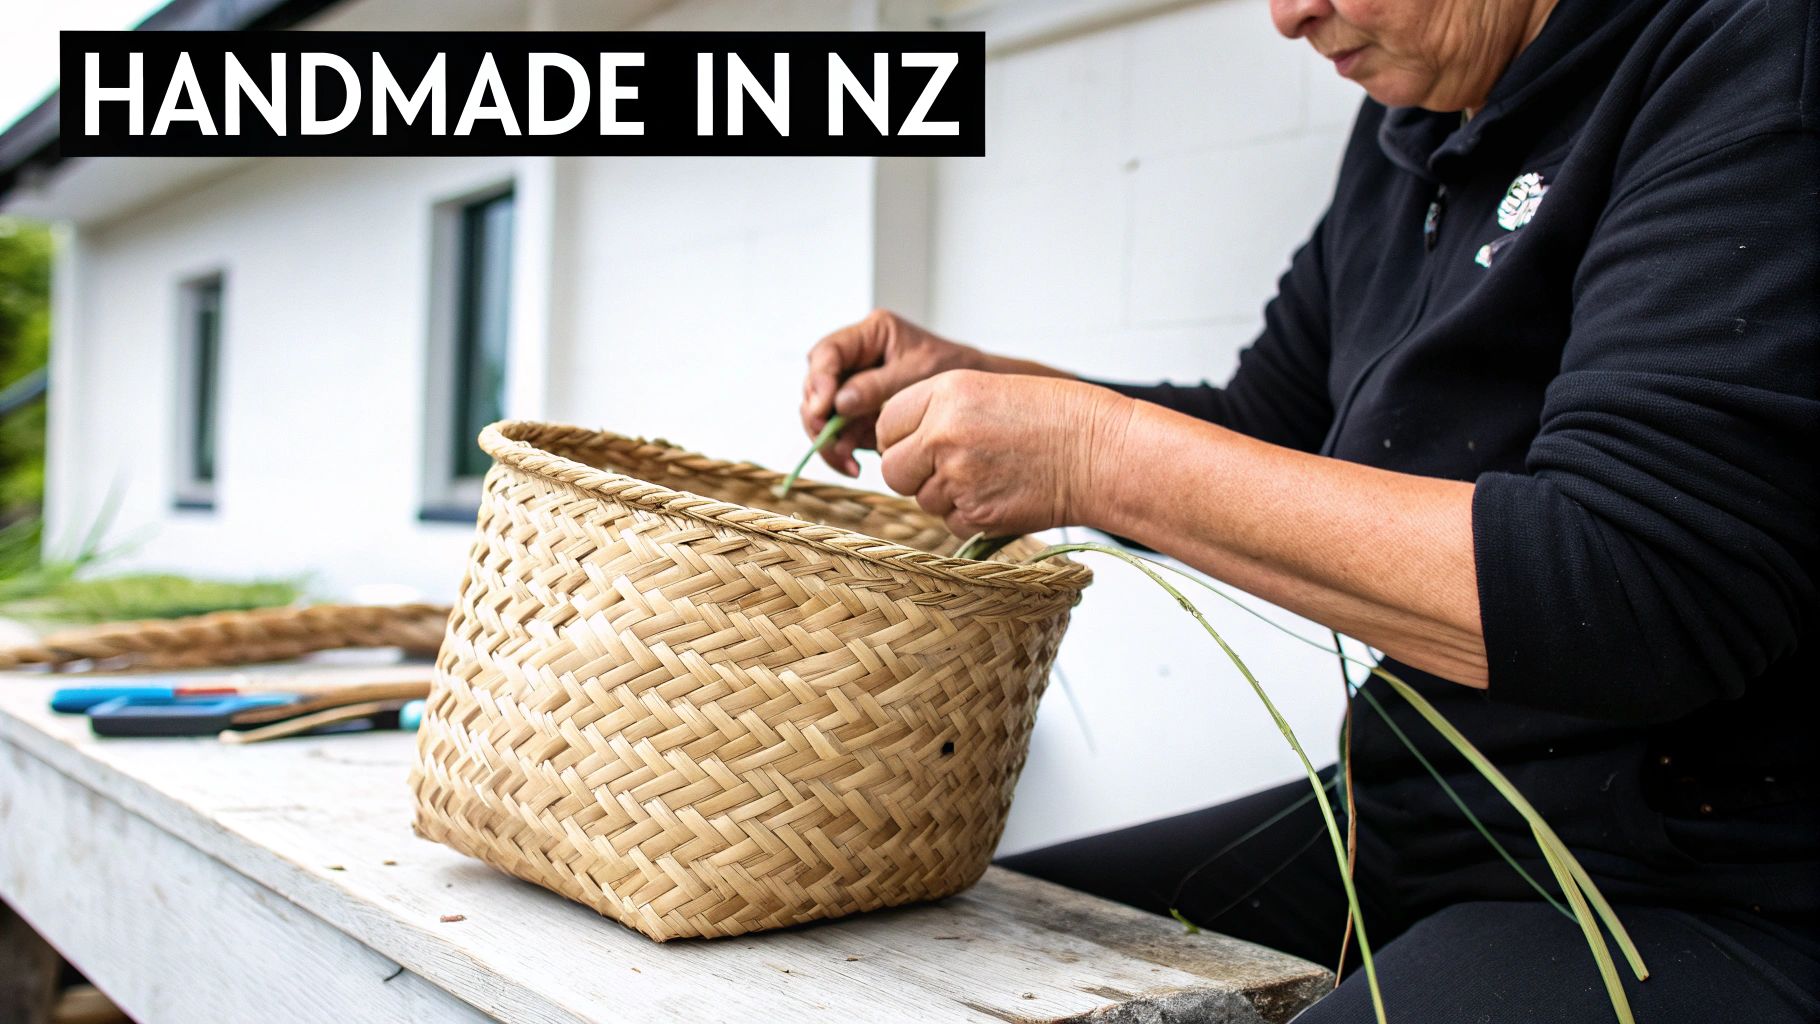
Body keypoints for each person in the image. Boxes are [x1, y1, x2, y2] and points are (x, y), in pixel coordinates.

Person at [796, 0, 1820, 1019]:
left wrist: (1091, 454)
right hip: (1412, 808)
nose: (1290, 15)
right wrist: (995, 386)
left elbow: (1634, 582)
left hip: (1698, 878)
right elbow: (1267, 429)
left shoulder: (1740, 54)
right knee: (958, 952)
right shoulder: (1410, 127)